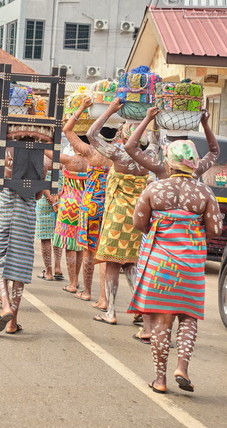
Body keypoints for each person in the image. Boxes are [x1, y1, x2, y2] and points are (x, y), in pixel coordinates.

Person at [129, 140, 221, 394]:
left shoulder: (154, 189)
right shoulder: (204, 193)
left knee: (162, 321)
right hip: (191, 265)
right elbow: (215, 229)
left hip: (160, 264)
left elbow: (139, 223)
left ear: (169, 162)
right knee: (189, 316)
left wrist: (163, 229)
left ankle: (160, 379)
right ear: (192, 162)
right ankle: (182, 367)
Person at [86, 99, 160, 325]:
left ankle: (110, 313)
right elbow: (157, 139)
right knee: (131, 264)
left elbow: (91, 134)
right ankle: (141, 310)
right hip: (138, 219)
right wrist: (153, 119)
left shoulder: (120, 155)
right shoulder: (150, 158)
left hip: (117, 217)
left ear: (125, 137)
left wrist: (109, 110)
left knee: (112, 265)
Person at [0, 111, 51, 335]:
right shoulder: (45, 162)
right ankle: (13, 323)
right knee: (21, 264)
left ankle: (4, 307)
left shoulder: (6, 156)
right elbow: (40, 194)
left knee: (1, 259)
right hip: (28, 216)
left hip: (9, 214)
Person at [62, 98, 113, 301]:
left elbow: (67, 130)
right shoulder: (120, 153)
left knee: (89, 251)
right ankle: (103, 298)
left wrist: (82, 108)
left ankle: (88, 291)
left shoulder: (91, 152)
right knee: (104, 254)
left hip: (90, 204)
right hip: (109, 205)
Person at [50, 139, 88, 295]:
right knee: (79, 244)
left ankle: (73, 282)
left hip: (68, 205)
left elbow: (47, 152)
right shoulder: (93, 161)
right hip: (85, 204)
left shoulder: (69, 160)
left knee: (69, 246)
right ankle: (76, 280)